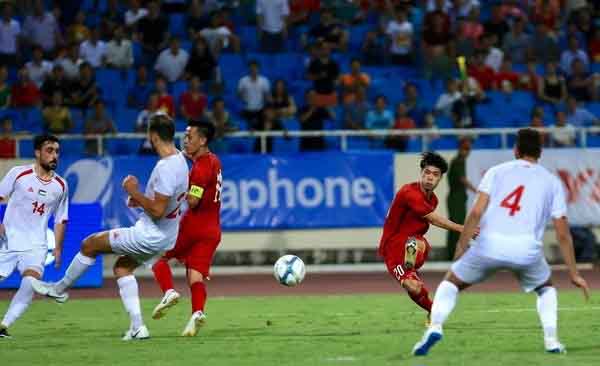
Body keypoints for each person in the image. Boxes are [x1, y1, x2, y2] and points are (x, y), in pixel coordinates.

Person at [412, 128, 590, 356]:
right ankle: (552, 341)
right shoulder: (551, 182)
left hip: (489, 245)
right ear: (540, 152)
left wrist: (462, 246)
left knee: (451, 283)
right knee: (546, 289)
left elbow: (476, 212)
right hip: (527, 249)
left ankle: (435, 327)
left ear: (516, 150)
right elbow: (563, 234)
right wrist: (574, 274)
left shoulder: (496, 172)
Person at [31, 114, 190, 341]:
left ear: (152, 136)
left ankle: (58, 289)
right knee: (122, 269)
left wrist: (133, 191)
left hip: (149, 235)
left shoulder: (165, 168)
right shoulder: (181, 161)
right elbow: (165, 202)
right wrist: (141, 200)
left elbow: (157, 210)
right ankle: (138, 327)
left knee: (89, 244)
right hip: (167, 235)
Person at [379, 152, 474, 324]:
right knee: (413, 287)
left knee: (414, 243)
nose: (430, 177)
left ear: (440, 179)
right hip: (392, 249)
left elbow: (429, 219)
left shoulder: (433, 199)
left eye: (435, 174)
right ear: (421, 173)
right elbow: (433, 219)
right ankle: (433, 310)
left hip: (415, 245)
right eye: (427, 173)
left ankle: (410, 264)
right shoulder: (409, 192)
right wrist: (464, 228)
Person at [151, 119, 222, 336]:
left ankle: (169, 292)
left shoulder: (200, 169)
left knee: (157, 258)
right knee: (195, 277)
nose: (185, 140)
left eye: (190, 137)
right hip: (213, 230)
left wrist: (177, 194)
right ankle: (197, 313)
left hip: (193, 226)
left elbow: (192, 200)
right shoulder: (214, 161)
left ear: (202, 140)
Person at [0, 135, 68, 338]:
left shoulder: (61, 185)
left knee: (30, 282)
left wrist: (57, 248)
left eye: (56, 151)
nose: (54, 155)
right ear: (37, 152)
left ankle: (4, 325)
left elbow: (60, 219)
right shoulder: (18, 173)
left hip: (36, 245)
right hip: (8, 241)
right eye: (49, 150)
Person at [446, 138, 477, 260]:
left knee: (456, 225)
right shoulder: (458, 161)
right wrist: (476, 190)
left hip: (458, 197)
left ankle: (453, 253)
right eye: (466, 149)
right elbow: (462, 179)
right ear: (460, 148)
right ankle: (453, 253)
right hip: (456, 198)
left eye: (469, 149)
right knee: (456, 225)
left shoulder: (461, 161)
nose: (467, 152)